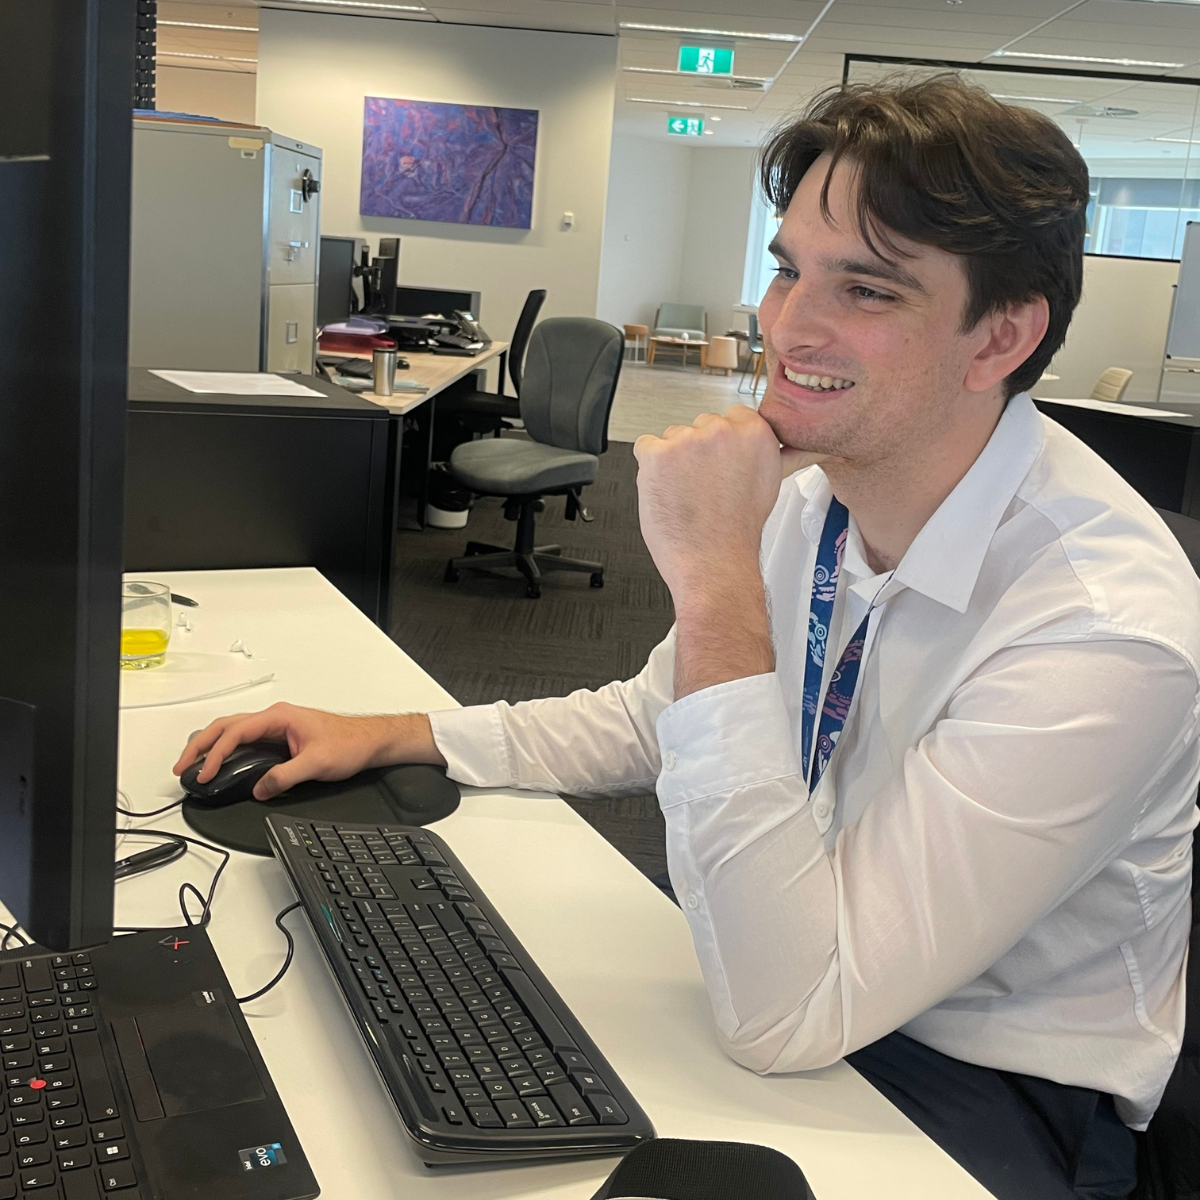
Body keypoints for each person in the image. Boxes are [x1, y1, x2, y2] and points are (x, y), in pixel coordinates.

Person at [175, 76, 1200, 1199]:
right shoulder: (825, 494)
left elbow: (786, 1016)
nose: (787, 325)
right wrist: (401, 732)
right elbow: (663, 715)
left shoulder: (1103, 629)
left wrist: (715, 580)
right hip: (800, 960)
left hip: (990, 1084)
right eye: (787, 266)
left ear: (1000, 335)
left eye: (866, 288)